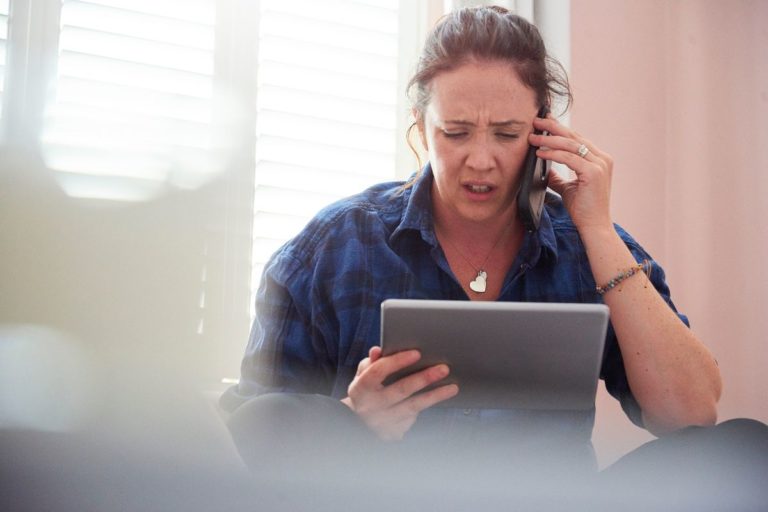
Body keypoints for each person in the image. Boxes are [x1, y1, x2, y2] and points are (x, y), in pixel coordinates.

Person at [221, 6, 766, 509]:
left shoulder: (586, 246)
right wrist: (348, 422)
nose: (480, 160)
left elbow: (692, 412)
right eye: (455, 133)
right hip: (390, 502)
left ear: (542, 132)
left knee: (746, 448)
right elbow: (249, 433)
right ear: (420, 128)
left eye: (506, 134)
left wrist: (596, 226)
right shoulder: (335, 246)